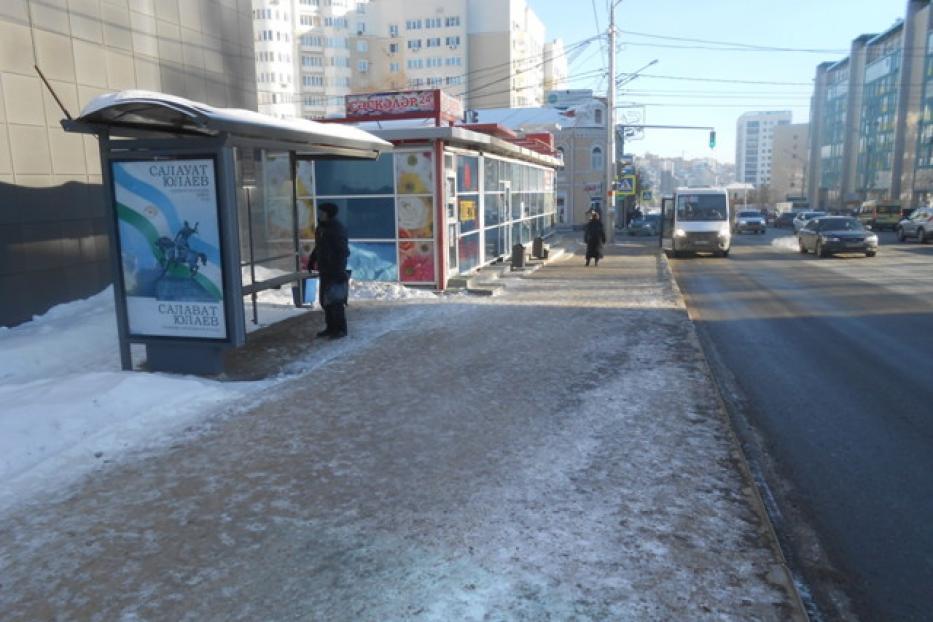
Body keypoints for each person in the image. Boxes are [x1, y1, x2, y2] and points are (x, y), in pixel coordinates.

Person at [308, 202, 350, 339]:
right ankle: (330, 327)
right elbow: (319, 246)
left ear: (328, 214)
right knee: (325, 301)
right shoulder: (321, 228)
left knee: (335, 301)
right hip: (325, 269)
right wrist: (312, 260)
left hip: (335, 270)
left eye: (321, 212)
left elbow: (344, 251)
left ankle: (340, 329)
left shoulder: (336, 229)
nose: (319, 215)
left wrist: (338, 269)